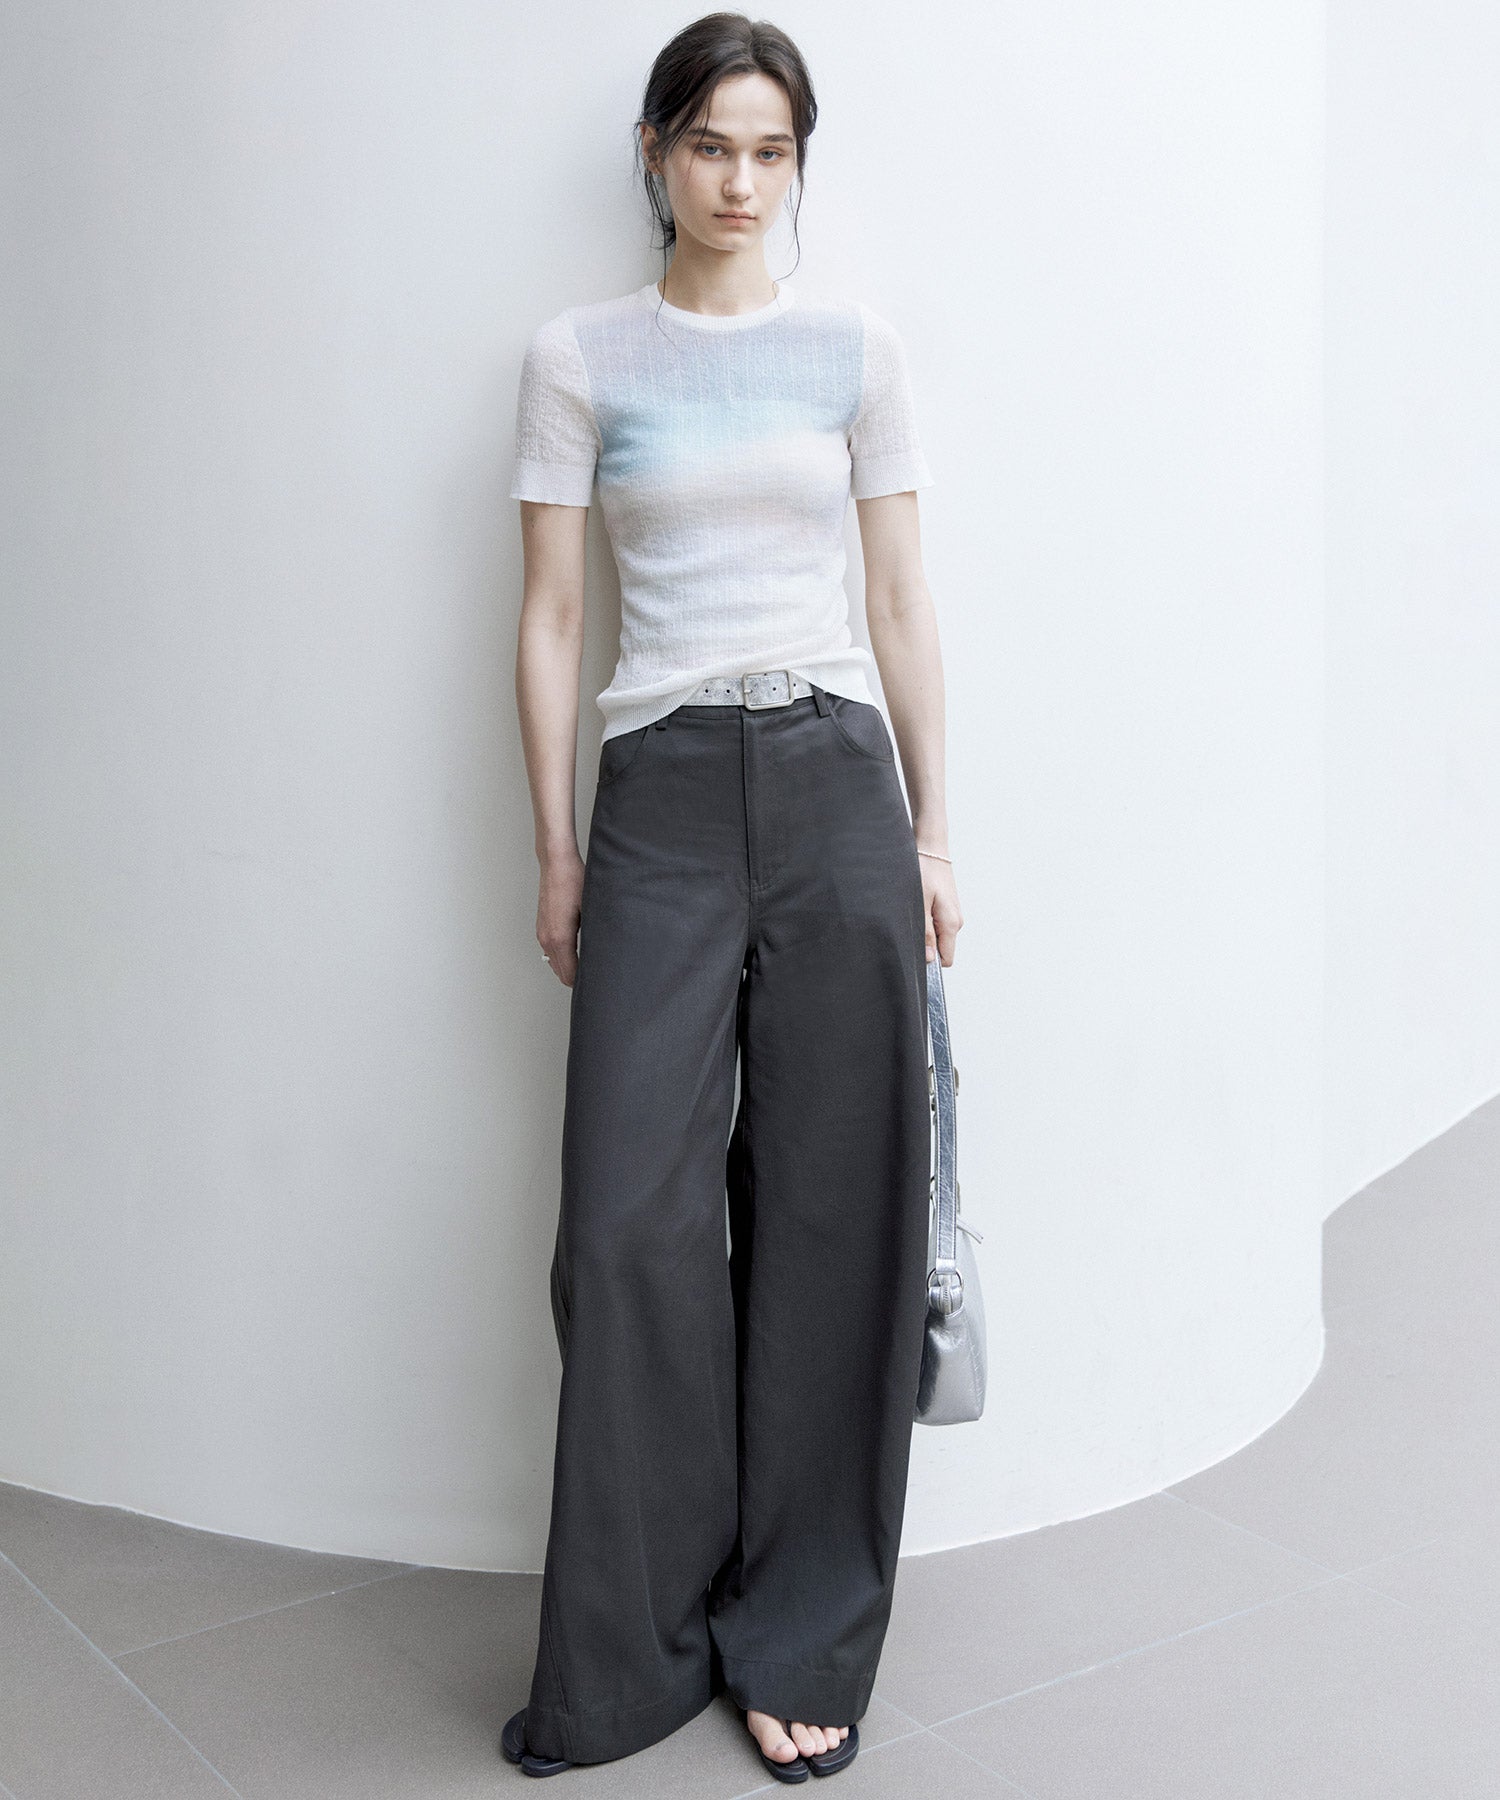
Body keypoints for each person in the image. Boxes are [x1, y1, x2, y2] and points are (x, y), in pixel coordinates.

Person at [502, 11, 962, 1784]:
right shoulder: (579, 357)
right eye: (711, 145)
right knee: (627, 1223)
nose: (741, 182)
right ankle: (634, 1647)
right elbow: (554, 617)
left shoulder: (856, 347)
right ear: (656, 152)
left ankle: (803, 1632)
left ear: (797, 165)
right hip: (665, 795)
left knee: (838, 1215)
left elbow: (901, 599)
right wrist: (557, 848)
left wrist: (934, 835)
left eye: (771, 151)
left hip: (839, 779)